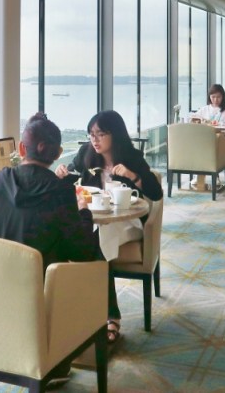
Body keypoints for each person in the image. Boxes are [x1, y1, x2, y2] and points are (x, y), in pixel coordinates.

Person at [55, 110, 163, 344]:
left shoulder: (131, 157)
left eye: (100, 134)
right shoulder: (86, 154)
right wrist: (62, 173)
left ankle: (110, 316)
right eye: (91, 134)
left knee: (96, 243)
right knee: (88, 240)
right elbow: (72, 177)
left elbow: (156, 192)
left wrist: (133, 176)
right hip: (96, 221)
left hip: (127, 222)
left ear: (114, 135)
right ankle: (93, 312)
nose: (94, 140)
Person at [0, 112, 99, 268]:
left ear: (22, 149)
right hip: (37, 289)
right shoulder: (62, 191)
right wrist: (84, 212)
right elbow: (81, 253)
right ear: (58, 154)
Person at [188, 84, 225, 191]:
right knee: (204, 145)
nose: (215, 100)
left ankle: (208, 176)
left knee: (209, 145)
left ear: (223, 97)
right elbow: (193, 119)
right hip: (207, 139)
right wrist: (195, 119)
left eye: (218, 97)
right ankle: (203, 175)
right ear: (209, 97)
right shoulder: (205, 109)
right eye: (213, 97)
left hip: (224, 138)